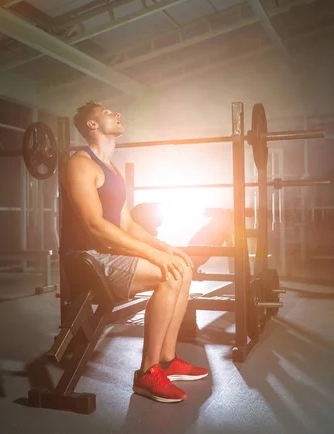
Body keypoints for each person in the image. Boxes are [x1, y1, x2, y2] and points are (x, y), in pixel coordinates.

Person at [59, 101, 208, 404]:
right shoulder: (79, 163)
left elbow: (126, 223)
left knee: (181, 265)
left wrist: (166, 248)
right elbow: (94, 226)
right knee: (167, 274)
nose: (116, 113)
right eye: (105, 112)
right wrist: (155, 258)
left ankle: (167, 359)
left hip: (108, 255)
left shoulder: (112, 169)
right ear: (92, 124)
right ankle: (147, 373)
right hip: (88, 260)